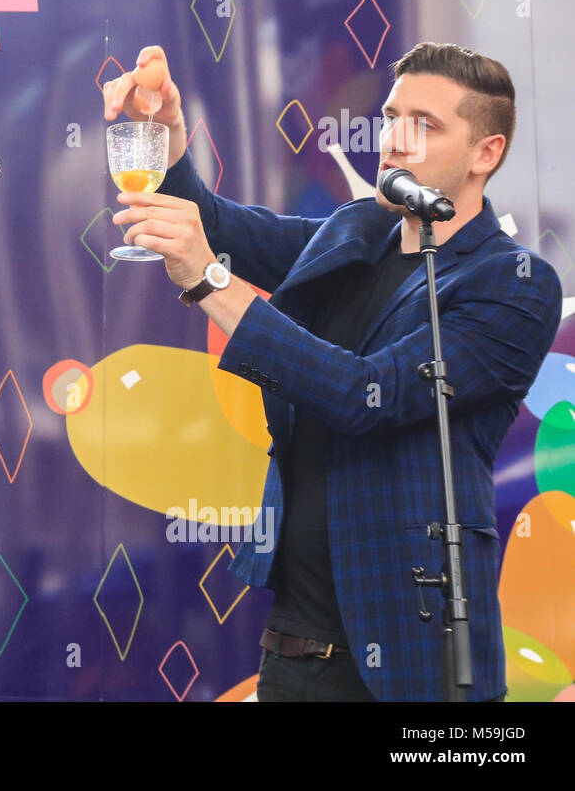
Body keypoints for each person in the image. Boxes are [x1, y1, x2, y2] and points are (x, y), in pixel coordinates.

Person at [103, 43, 561, 701]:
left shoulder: (513, 284)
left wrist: (211, 283)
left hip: (413, 659)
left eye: (424, 125)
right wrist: (172, 143)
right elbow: (222, 227)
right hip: (293, 652)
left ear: (485, 153)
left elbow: (366, 396)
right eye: (391, 117)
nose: (395, 141)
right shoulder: (358, 230)